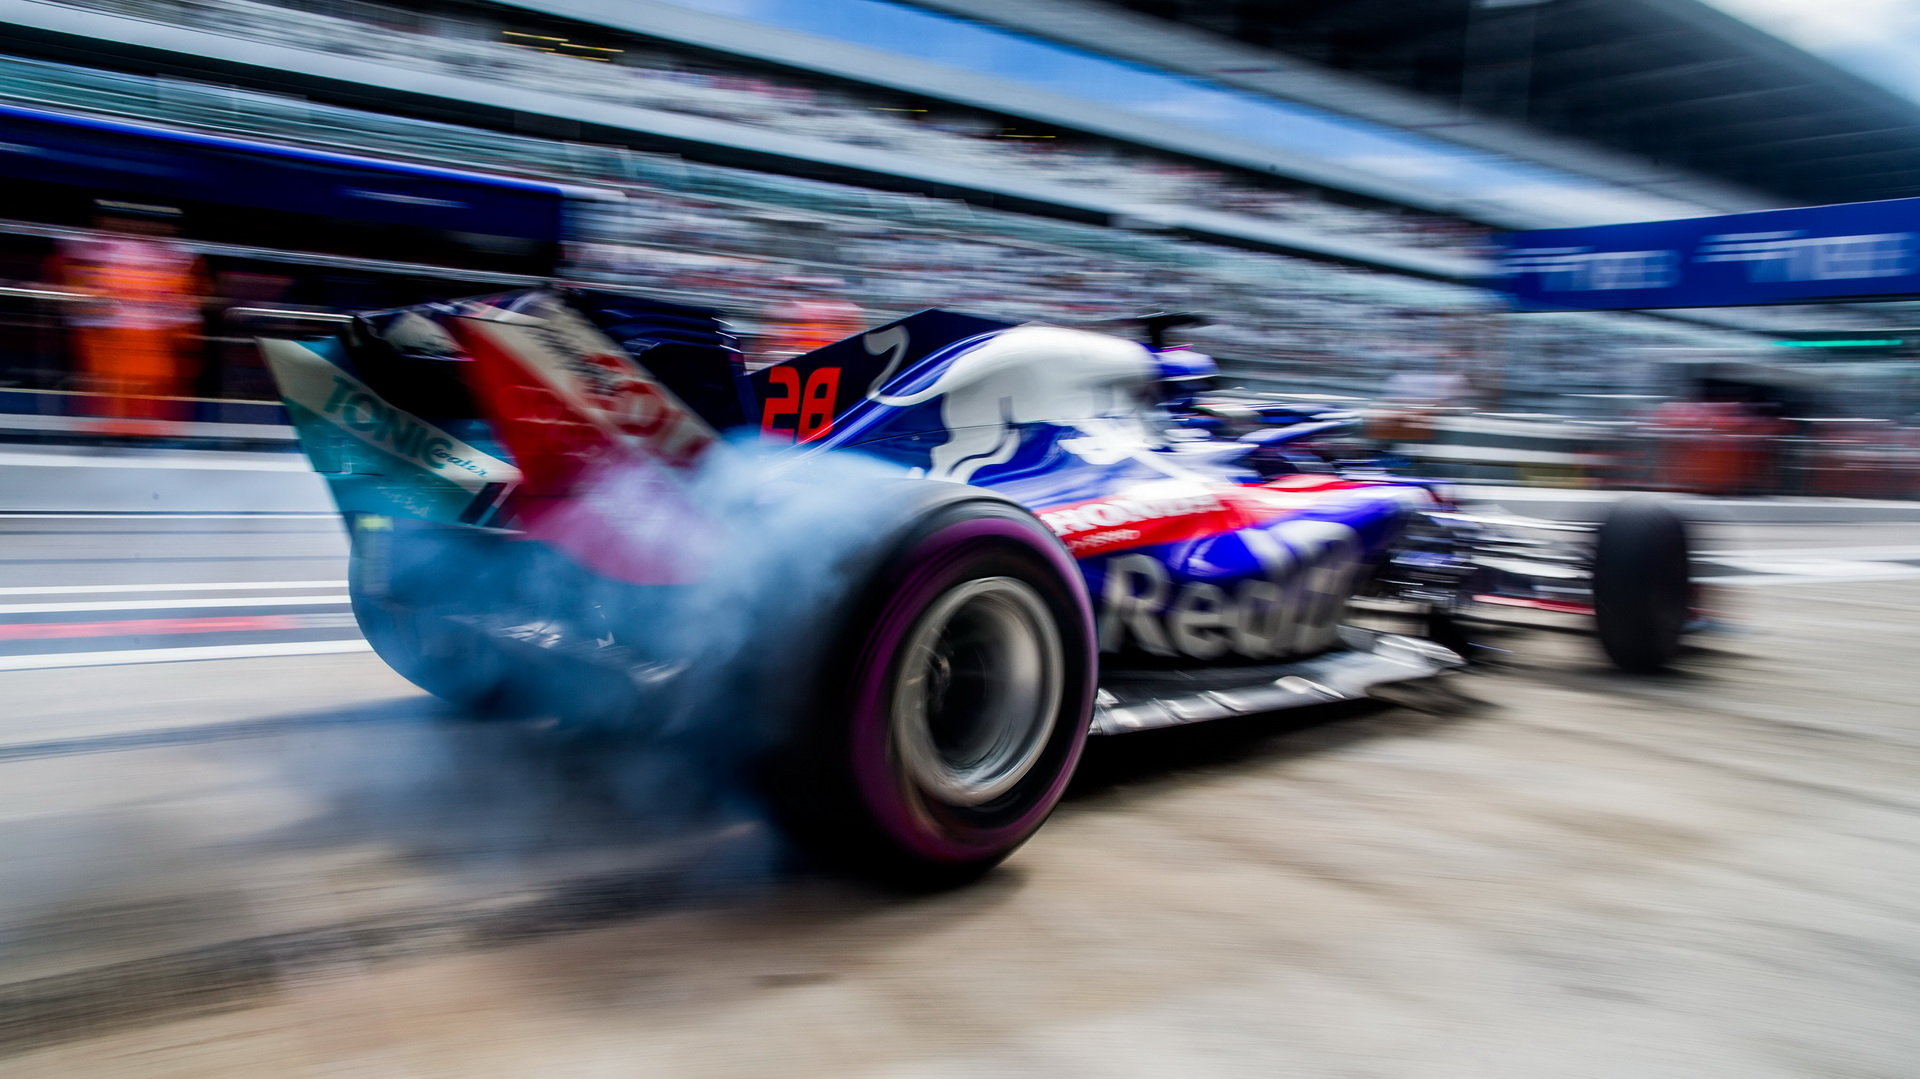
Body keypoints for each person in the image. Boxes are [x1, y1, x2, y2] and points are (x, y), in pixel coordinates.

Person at [45, 201, 209, 436]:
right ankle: (119, 426)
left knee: (150, 378)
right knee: (114, 379)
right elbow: (76, 285)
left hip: (150, 334)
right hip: (111, 331)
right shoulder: (87, 247)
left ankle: (144, 427)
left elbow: (189, 295)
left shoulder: (180, 256)